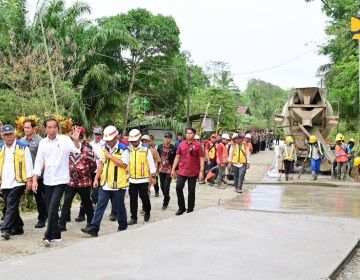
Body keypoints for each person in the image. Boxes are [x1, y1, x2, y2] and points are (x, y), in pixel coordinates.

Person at [32, 118, 81, 245]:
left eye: (55, 127)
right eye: (49, 127)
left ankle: (47, 235)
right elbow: (38, 161)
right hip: (48, 179)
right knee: (50, 208)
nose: (52, 129)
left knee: (53, 206)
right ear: (45, 129)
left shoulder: (64, 140)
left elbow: (76, 150)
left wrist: (76, 140)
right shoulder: (43, 143)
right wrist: (35, 179)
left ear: (58, 128)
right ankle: (57, 235)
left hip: (61, 179)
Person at [81, 126, 130, 237]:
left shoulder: (124, 149)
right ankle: (94, 227)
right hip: (105, 183)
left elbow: (124, 164)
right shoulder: (104, 147)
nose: (109, 142)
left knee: (119, 206)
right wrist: (96, 178)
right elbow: (101, 164)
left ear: (116, 137)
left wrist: (111, 156)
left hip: (118, 183)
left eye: (110, 140)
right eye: (107, 140)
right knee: (100, 205)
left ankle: (122, 227)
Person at [58, 130, 96, 232]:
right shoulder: (68, 151)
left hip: (84, 182)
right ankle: (62, 224)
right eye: (74, 139)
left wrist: (84, 172)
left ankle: (91, 224)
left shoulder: (88, 151)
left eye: (79, 139)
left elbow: (93, 166)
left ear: (82, 139)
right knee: (67, 202)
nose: (77, 141)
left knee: (87, 202)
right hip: (71, 181)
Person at [0, 125, 33, 240]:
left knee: (10, 205)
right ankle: (18, 227)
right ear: (2, 136)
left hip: (18, 182)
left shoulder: (23, 147)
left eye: (11, 134)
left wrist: (29, 180)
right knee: (10, 206)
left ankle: (6, 229)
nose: (9, 137)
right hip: (5, 182)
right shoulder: (1, 148)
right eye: (6, 135)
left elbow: (28, 163)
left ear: (15, 134)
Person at [20, 120, 47, 229]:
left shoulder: (40, 141)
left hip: (37, 175)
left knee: (39, 197)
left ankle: (42, 219)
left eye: (28, 127)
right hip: (24, 175)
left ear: (33, 128)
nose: (26, 129)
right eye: (24, 128)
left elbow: (44, 158)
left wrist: (39, 172)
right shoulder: (21, 141)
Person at [171, 128, 204, 215]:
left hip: (193, 171)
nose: (188, 135)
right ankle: (181, 208)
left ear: (194, 134)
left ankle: (190, 209)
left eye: (190, 133)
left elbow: (201, 158)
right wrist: (173, 169)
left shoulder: (198, 145)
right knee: (178, 187)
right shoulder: (181, 144)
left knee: (191, 191)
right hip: (182, 171)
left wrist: (201, 171)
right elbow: (177, 157)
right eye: (187, 133)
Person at [127, 129, 157, 225]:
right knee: (133, 199)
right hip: (132, 179)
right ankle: (133, 217)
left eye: (135, 141)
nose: (133, 143)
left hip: (143, 179)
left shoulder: (146, 149)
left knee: (144, 197)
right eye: (132, 141)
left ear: (139, 139)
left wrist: (153, 176)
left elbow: (151, 164)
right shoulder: (129, 149)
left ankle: (147, 210)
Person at [76, 127, 104, 223]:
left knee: (96, 192)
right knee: (86, 194)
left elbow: (103, 158)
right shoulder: (89, 144)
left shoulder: (104, 145)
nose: (97, 136)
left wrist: (97, 156)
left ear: (102, 135)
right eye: (96, 134)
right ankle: (82, 214)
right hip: (89, 171)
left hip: (99, 171)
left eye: (99, 134)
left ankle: (95, 209)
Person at [157, 132, 177, 210]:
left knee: (166, 186)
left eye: (169, 138)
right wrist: (156, 168)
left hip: (169, 169)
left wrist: (175, 170)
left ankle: (165, 203)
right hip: (161, 169)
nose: (167, 139)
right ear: (164, 138)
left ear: (171, 139)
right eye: (166, 138)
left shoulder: (174, 148)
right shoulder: (160, 147)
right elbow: (157, 159)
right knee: (162, 186)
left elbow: (176, 159)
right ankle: (167, 197)